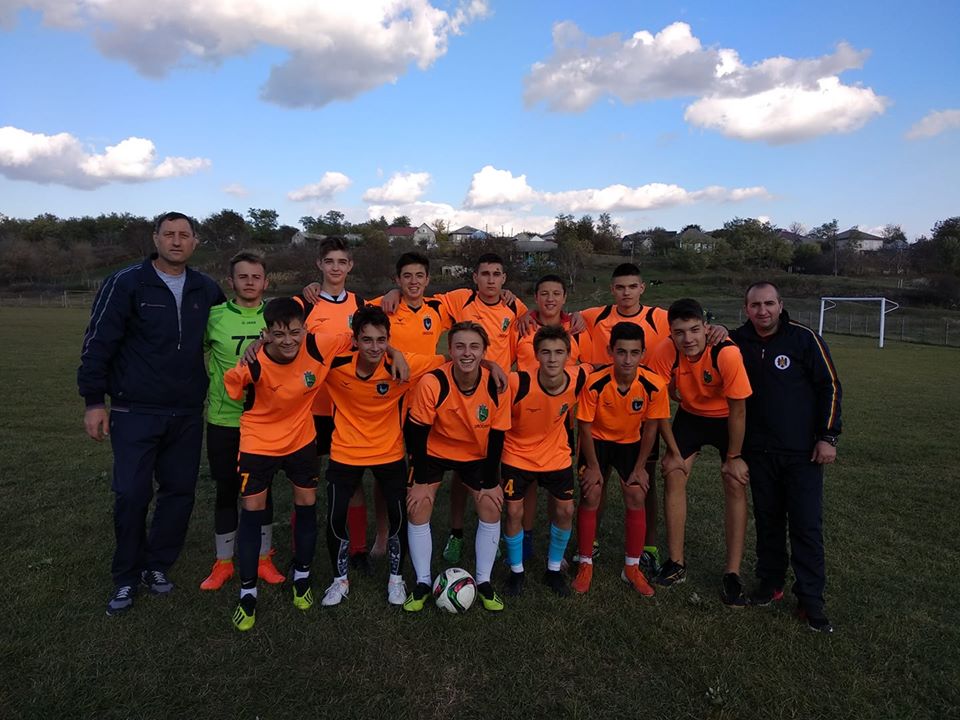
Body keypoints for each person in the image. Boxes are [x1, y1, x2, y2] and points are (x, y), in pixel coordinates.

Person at [78, 211, 225, 616]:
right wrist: (94, 401)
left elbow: (239, 321)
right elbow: (98, 342)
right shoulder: (127, 282)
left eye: (184, 235)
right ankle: (126, 575)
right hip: (135, 409)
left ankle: (156, 564)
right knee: (131, 493)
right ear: (156, 238)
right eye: (169, 234)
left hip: (186, 411)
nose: (177, 241)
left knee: (179, 492)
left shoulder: (205, 288)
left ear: (195, 242)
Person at [382, 253, 524, 565]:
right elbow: (416, 296)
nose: (490, 279)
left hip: (490, 395)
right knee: (430, 464)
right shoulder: (459, 300)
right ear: (474, 277)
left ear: (504, 278)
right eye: (484, 273)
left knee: (478, 470)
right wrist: (394, 292)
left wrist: (493, 366)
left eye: (496, 274)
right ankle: (451, 534)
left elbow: (529, 331)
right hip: (444, 392)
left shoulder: (515, 307)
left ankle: (492, 536)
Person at [223, 298, 355, 631]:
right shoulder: (253, 363)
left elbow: (360, 335)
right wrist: (252, 350)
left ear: (305, 329)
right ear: (266, 333)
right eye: (279, 334)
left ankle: (302, 577)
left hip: (300, 440)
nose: (288, 340)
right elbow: (234, 387)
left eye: (295, 332)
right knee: (251, 511)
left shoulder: (319, 345)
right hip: (259, 443)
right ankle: (248, 593)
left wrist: (395, 352)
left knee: (307, 505)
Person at [731, 282, 842, 633]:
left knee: (806, 525)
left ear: (780, 305)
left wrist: (827, 436)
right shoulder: (736, 341)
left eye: (768, 303)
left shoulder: (803, 338)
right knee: (768, 520)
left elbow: (830, 386)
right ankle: (770, 582)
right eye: (755, 305)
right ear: (746, 309)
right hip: (758, 450)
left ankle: (811, 599)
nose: (762, 311)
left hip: (801, 452)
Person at [320, 306, 444, 607]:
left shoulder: (403, 365)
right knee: (335, 515)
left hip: (388, 451)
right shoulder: (335, 363)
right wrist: (262, 341)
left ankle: (396, 579)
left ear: (388, 339)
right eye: (367, 340)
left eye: (381, 340)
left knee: (397, 515)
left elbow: (452, 359)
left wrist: (490, 365)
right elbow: (298, 347)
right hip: (345, 451)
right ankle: (339, 580)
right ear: (355, 340)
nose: (374, 347)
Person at [645, 299, 753, 606]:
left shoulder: (726, 352)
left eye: (694, 330)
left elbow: (739, 409)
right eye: (680, 332)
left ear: (706, 327)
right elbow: (658, 406)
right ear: (670, 333)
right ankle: (676, 562)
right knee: (673, 471)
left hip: (727, 419)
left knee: (735, 481)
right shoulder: (665, 351)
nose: (688, 339)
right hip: (691, 417)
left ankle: (732, 572)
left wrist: (734, 457)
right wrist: (673, 451)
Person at [403, 322, 511, 612]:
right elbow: (417, 435)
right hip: (434, 451)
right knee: (418, 505)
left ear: (484, 352)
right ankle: (423, 582)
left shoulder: (497, 384)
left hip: (475, 453)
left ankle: (484, 581)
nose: (467, 353)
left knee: (490, 504)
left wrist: (491, 482)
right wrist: (420, 482)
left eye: (474, 347)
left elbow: (497, 435)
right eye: (460, 346)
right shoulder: (432, 382)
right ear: (449, 350)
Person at [572, 322, 681, 596]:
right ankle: (585, 563)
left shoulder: (654, 384)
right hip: (596, 442)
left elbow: (652, 427)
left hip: (630, 444)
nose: (627, 359)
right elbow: (584, 425)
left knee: (636, 494)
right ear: (611, 351)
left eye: (634, 353)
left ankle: (631, 567)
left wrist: (641, 467)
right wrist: (593, 467)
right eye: (621, 352)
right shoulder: (595, 382)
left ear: (643, 353)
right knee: (591, 493)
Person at [199, 251, 285, 591]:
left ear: (266, 282)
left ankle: (264, 559)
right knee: (226, 490)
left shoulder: (276, 316)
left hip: (265, 421)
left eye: (256, 277)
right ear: (231, 281)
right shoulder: (214, 316)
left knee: (263, 491)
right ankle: (223, 563)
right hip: (224, 419)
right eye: (243, 276)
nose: (250, 282)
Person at [298, 237, 373, 573]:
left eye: (342, 262)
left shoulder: (360, 304)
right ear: (319, 264)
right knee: (306, 482)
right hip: (311, 408)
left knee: (351, 482)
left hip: (347, 408)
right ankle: (303, 548)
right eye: (329, 261)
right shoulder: (304, 303)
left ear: (350, 265)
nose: (336, 268)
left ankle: (357, 549)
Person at [501, 326, 587, 597]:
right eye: (546, 352)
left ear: (568, 356)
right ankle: (516, 571)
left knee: (565, 511)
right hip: (517, 454)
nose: (552, 359)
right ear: (536, 355)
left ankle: (553, 569)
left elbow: (600, 367)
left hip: (555, 455)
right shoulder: (517, 383)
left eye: (559, 352)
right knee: (513, 512)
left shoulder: (578, 377)